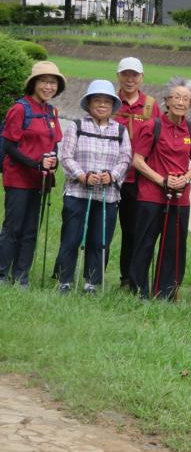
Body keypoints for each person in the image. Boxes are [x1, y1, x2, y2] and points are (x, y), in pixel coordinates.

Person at [129, 77, 191, 300]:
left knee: (173, 246)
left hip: (180, 197)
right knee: (144, 242)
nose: (180, 102)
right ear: (166, 100)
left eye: (185, 98)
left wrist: (185, 179)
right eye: (176, 97)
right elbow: (138, 160)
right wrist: (162, 180)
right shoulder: (151, 126)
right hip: (151, 195)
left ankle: (165, 292)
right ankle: (139, 290)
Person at [54, 80, 132, 293]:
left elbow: (126, 159)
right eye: (97, 100)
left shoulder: (120, 130)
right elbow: (66, 156)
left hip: (107, 195)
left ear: (113, 106)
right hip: (77, 191)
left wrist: (112, 175)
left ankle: (91, 282)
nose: (102, 105)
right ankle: (64, 280)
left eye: (107, 101)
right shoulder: (76, 126)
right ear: (88, 103)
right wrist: (82, 176)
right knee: (71, 236)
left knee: (100, 240)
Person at [0, 61, 64, 287]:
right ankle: (1, 274)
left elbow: (55, 142)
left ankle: (21, 275)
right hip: (18, 178)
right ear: (34, 83)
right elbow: (8, 146)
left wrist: (51, 161)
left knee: (30, 230)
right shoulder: (20, 109)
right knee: (13, 228)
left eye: (53, 82)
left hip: (40, 180)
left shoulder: (52, 112)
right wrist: (36, 163)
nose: (49, 86)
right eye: (45, 81)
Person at [113, 56, 160, 292]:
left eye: (134, 75)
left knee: (134, 230)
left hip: (139, 179)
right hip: (112, 177)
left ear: (142, 77)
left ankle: (129, 278)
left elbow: (160, 140)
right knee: (106, 228)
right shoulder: (110, 102)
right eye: (125, 74)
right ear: (118, 76)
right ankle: (93, 277)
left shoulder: (150, 106)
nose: (130, 79)